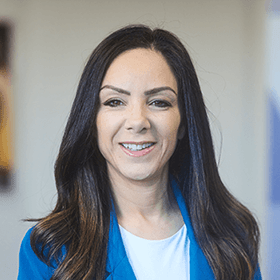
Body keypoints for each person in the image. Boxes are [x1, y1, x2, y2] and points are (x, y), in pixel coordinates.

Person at [18, 24, 262, 280]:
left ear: (183, 123)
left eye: (159, 102)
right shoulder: (49, 248)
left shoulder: (233, 237)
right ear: (92, 121)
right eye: (115, 102)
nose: (138, 121)